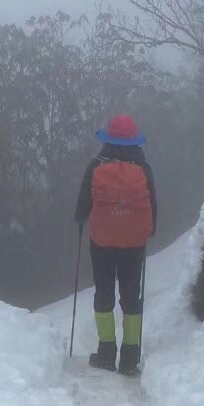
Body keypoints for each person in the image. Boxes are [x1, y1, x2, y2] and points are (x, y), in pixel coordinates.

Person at [74, 114, 157, 375]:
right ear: (135, 140)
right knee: (132, 295)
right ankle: (130, 358)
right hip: (134, 242)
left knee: (104, 292)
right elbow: (152, 203)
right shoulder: (143, 167)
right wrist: (147, 230)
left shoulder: (96, 164)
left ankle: (107, 352)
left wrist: (80, 220)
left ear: (107, 138)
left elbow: (83, 202)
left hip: (102, 242)